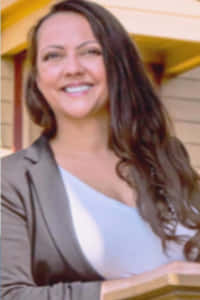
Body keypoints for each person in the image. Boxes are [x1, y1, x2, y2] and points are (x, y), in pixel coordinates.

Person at [1, 0, 200, 299]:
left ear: (118, 65)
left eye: (91, 51)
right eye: (53, 56)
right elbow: (9, 295)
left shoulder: (167, 157)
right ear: (38, 80)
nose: (73, 68)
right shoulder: (13, 179)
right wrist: (159, 280)